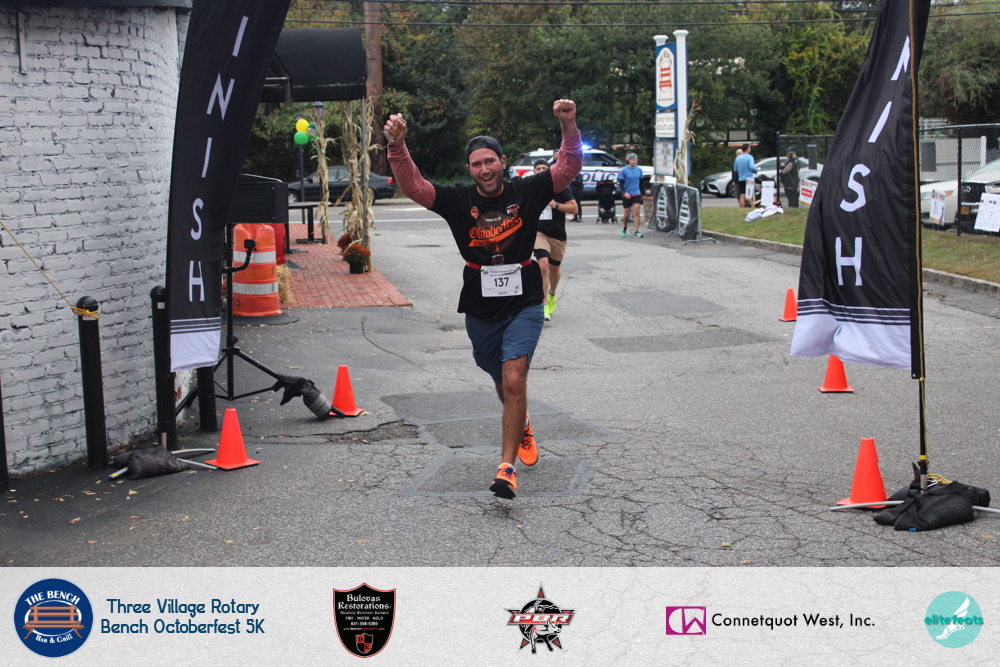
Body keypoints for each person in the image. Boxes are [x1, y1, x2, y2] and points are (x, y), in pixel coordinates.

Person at [383, 100, 582, 500]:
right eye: (476, 164)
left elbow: (568, 167)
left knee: (515, 377)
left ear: (503, 162)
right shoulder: (458, 200)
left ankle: (506, 469)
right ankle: (521, 421)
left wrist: (568, 124)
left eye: (490, 160)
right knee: (501, 380)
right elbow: (414, 187)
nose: (484, 169)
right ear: (469, 169)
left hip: (525, 300)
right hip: (480, 305)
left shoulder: (528, 190)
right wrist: (398, 146)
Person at [531, 159, 577, 321]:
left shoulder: (560, 186)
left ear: (549, 170)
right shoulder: (531, 187)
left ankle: (552, 294)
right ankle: (543, 305)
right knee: (543, 266)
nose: (541, 170)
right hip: (538, 233)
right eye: (538, 168)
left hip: (557, 234)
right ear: (534, 171)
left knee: (554, 268)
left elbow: (574, 208)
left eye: (544, 168)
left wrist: (555, 204)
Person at [617, 153, 644, 237]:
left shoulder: (639, 170)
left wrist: (641, 193)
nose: (635, 161)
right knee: (627, 214)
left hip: (636, 193)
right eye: (633, 160)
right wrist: (624, 192)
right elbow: (621, 183)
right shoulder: (624, 170)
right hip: (627, 194)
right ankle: (624, 227)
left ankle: (636, 231)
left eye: (636, 160)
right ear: (629, 160)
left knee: (637, 211)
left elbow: (641, 182)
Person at [553, 149, 584, 221]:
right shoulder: (553, 165)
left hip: (576, 191)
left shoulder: (578, 174)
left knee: (577, 204)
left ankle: (579, 217)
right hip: (568, 190)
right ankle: (573, 216)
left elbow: (579, 182)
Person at [733, 144, 756, 208]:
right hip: (749, 178)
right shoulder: (750, 157)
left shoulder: (737, 158)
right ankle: (752, 207)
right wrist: (755, 169)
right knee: (751, 194)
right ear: (748, 149)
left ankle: (742, 208)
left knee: (742, 194)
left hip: (741, 178)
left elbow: (735, 169)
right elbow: (752, 167)